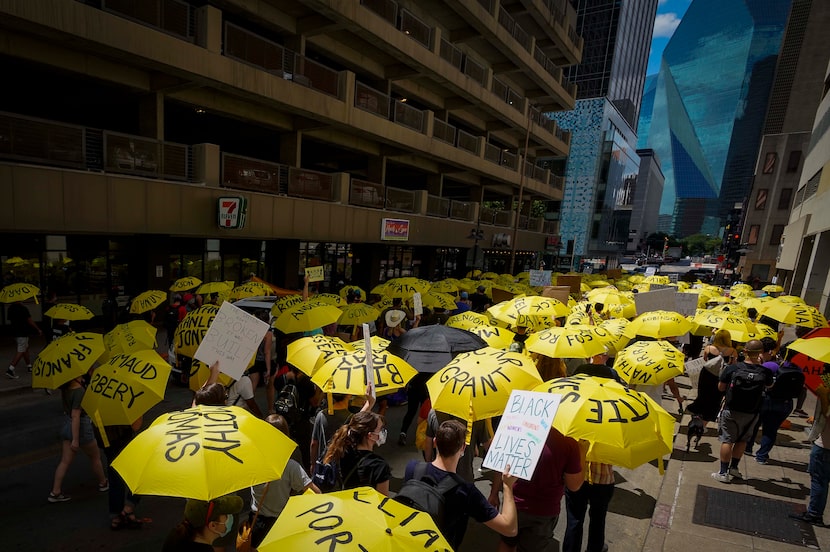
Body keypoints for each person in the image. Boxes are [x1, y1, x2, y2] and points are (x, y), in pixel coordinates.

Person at [403, 419, 518, 550]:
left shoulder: (412, 468)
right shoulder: (465, 491)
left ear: (435, 442)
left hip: (409, 544)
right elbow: (509, 529)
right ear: (463, 448)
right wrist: (508, 487)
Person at [496, 425, 583, 552]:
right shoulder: (569, 442)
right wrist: (582, 453)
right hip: (543, 511)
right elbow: (574, 485)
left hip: (512, 503)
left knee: (507, 542)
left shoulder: (516, 429)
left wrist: (494, 494)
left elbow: (501, 466)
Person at [563, 364, 621, 552]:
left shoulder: (572, 407)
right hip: (603, 478)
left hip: (575, 475)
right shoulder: (616, 410)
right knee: (598, 519)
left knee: (574, 520)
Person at [248, 415, 320, 548]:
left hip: (255, 521)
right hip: (280, 524)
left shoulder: (252, 459)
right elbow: (316, 493)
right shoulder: (290, 466)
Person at [711, 340, 774, 483]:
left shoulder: (732, 369)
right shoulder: (765, 372)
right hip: (752, 413)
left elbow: (721, 388)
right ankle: (734, 468)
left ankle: (723, 472)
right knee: (742, 440)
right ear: (760, 353)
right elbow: (770, 386)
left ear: (744, 351)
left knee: (727, 440)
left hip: (731, 410)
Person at [49, 375, 109, 503]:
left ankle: (55, 491)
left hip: (67, 424)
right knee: (95, 457)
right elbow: (76, 415)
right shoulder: (78, 392)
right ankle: (103, 483)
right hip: (81, 427)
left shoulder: (65, 389)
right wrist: (76, 439)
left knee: (64, 461)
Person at [789, 371, 830, 525]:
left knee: (819, 480)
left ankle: (814, 514)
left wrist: (824, 396)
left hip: (825, 446)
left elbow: (827, 413)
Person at [310, 386, 375, 476]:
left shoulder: (321, 415)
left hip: (324, 467)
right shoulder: (352, 418)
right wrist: (369, 402)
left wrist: (313, 464)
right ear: (349, 395)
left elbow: (314, 444)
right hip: (344, 469)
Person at [323, 410, 391, 495]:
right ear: (370, 435)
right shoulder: (379, 466)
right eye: (381, 429)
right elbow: (383, 501)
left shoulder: (340, 452)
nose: (383, 432)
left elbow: (356, 423)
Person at [162, 494, 243, 551]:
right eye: (226, 515)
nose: (230, 517)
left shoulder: (175, 535)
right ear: (213, 525)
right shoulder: (205, 550)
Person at [7, 298, 42, 379]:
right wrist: (38, 329)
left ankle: (29, 366)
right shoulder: (23, 308)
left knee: (25, 348)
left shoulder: (10, 308)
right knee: (21, 350)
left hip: (15, 332)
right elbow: (29, 320)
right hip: (23, 332)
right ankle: (10, 369)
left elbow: (10, 319)